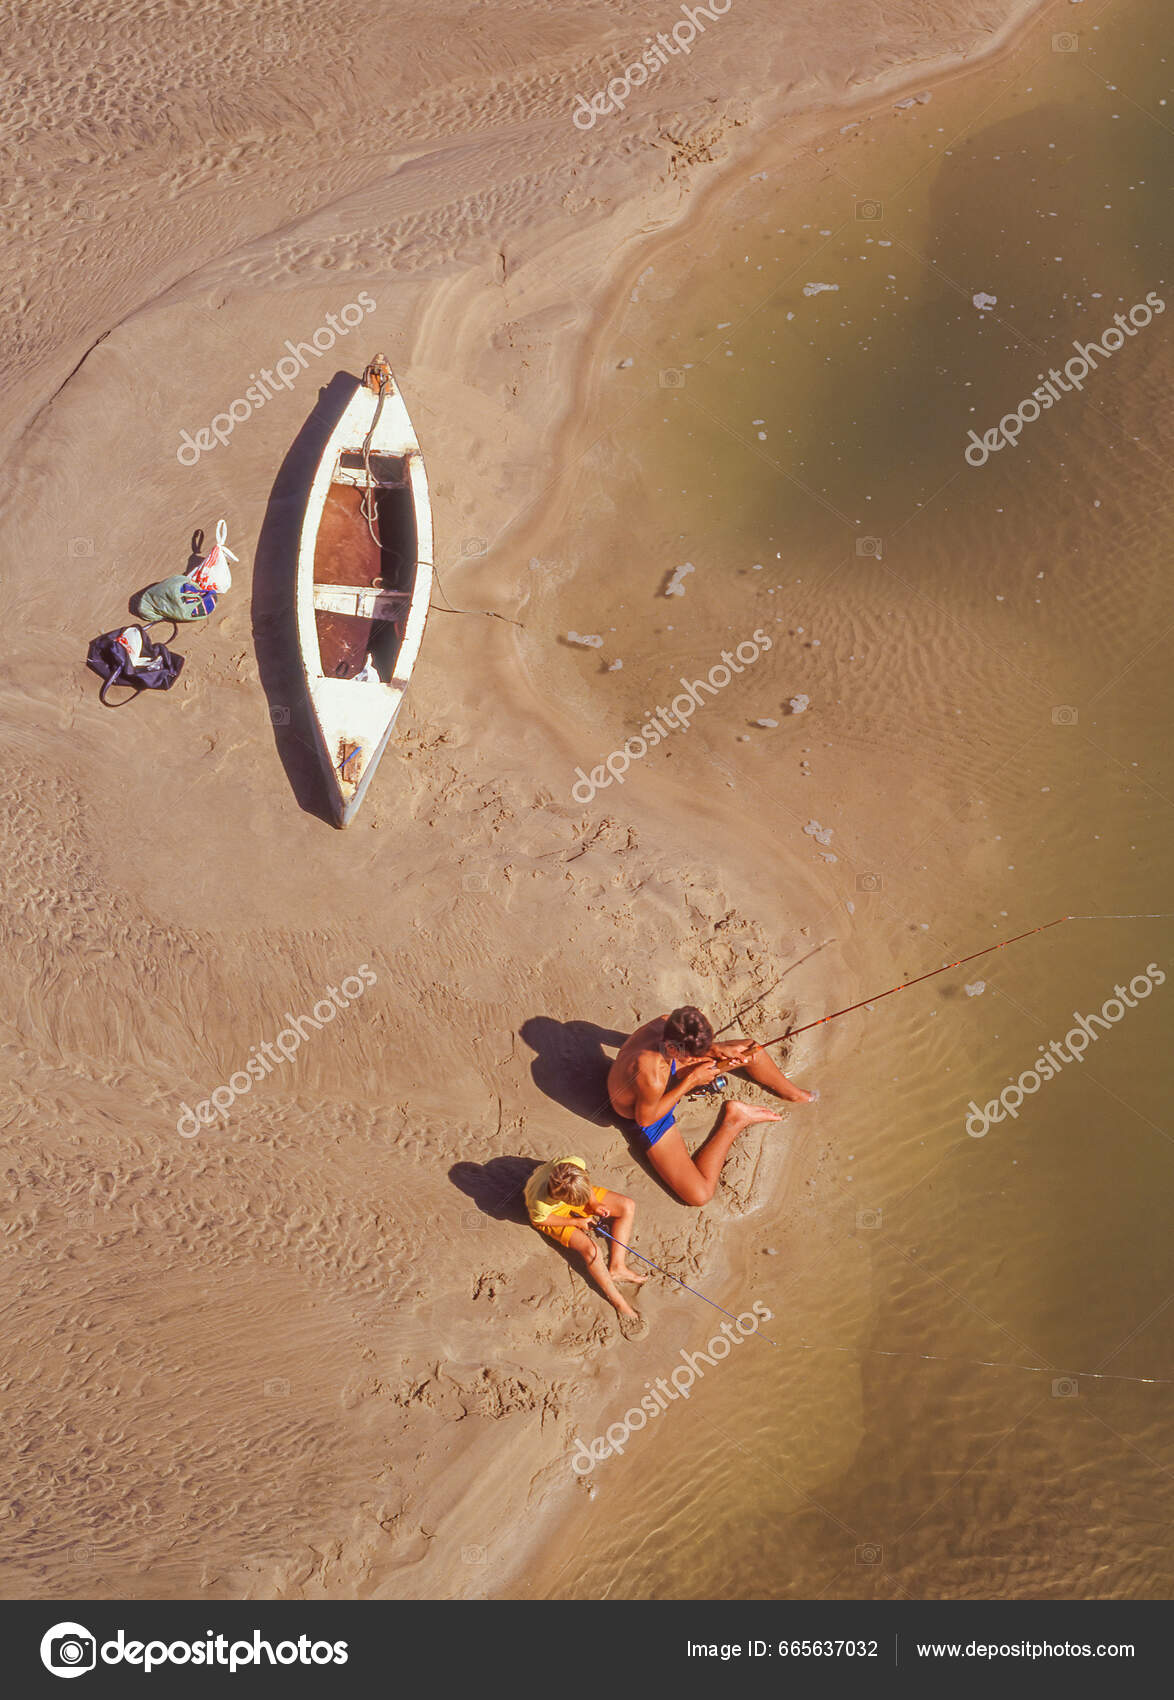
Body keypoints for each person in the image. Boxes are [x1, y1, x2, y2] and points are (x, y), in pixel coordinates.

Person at [607, 1005, 814, 1207]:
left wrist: (716, 1049)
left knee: (749, 1050)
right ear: (673, 1047)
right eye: (695, 1054)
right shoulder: (651, 1076)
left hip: (666, 1068)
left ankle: (797, 1095)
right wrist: (692, 1080)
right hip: (646, 1112)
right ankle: (735, 1119)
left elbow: (685, 1050)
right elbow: (646, 1118)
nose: (700, 1056)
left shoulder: (667, 1022)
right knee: (701, 1194)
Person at [524, 1155, 647, 1318]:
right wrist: (575, 1221)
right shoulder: (540, 1202)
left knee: (627, 1206)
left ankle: (618, 1267)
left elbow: (585, 1182)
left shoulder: (576, 1164)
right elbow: (539, 1219)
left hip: (571, 1190)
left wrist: (594, 1203)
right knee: (591, 1250)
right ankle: (619, 1302)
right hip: (552, 1215)